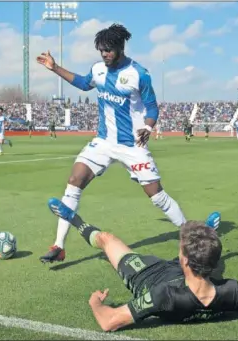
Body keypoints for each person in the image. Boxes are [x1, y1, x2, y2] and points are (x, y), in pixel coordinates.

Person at [46, 197, 238, 332]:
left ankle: (74, 219)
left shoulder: (164, 297)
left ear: (186, 260)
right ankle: (207, 237)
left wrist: (95, 302)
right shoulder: (232, 291)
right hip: (182, 274)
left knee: (107, 240)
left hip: (145, 274)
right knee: (200, 262)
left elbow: (109, 321)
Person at [36, 24, 187, 263]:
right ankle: (59, 245)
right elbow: (84, 83)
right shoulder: (98, 69)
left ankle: (190, 234)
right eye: (101, 50)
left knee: (156, 195)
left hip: (132, 146)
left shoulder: (139, 74)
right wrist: (54, 68)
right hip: (104, 142)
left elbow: (152, 107)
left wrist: (148, 127)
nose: (104, 54)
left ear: (120, 47)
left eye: (108, 50)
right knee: (75, 180)